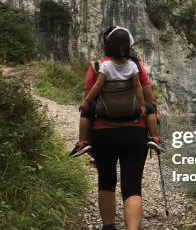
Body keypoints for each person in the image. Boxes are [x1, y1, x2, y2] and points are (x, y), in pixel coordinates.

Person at [74, 26, 160, 230]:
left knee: (106, 181)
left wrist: (87, 137)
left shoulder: (97, 67)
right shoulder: (137, 66)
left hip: (103, 133)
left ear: (106, 44)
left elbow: (88, 102)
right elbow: (149, 100)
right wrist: (152, 124)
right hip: (134, 132)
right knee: (132, 186)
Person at [69, 26, 164, 158]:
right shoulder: (134, 65)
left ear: (108, 45)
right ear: (129, 45)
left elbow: (97, 85)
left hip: (104, 122)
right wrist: (144, 106)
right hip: (134, 122)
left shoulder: (100, 66)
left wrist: (86, 101)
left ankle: (82, 142)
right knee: (150, 110)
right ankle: (155, 138)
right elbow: (139, 89)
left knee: (86, 111)